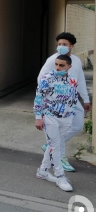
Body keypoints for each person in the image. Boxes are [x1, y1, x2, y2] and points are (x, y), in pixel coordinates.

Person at [37, 32, 90, 172]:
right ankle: (60, 157)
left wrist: (86, 99)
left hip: (71, 101)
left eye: (64, 44)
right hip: (54, 103)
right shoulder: (52, 60)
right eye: (59, 44)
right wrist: (46, 97)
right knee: (58, 128)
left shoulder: (76, 61)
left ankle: (51, 145)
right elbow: (41, 78)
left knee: (77, 125)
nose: (61, 47)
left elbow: (80, 81)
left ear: (71, 46)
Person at [34, 55, 76, 192]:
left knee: (54, 145)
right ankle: (60, 176)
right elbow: (39, 98)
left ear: (69, 66)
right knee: (55, 146)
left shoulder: (72, 81)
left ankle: (43, 171)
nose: (58, 67)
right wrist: (38, 117)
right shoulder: (46, 79)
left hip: (66, 119)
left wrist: (71, 115)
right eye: (56, 64)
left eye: (61, 65)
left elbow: (73, 100)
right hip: (50, 117)